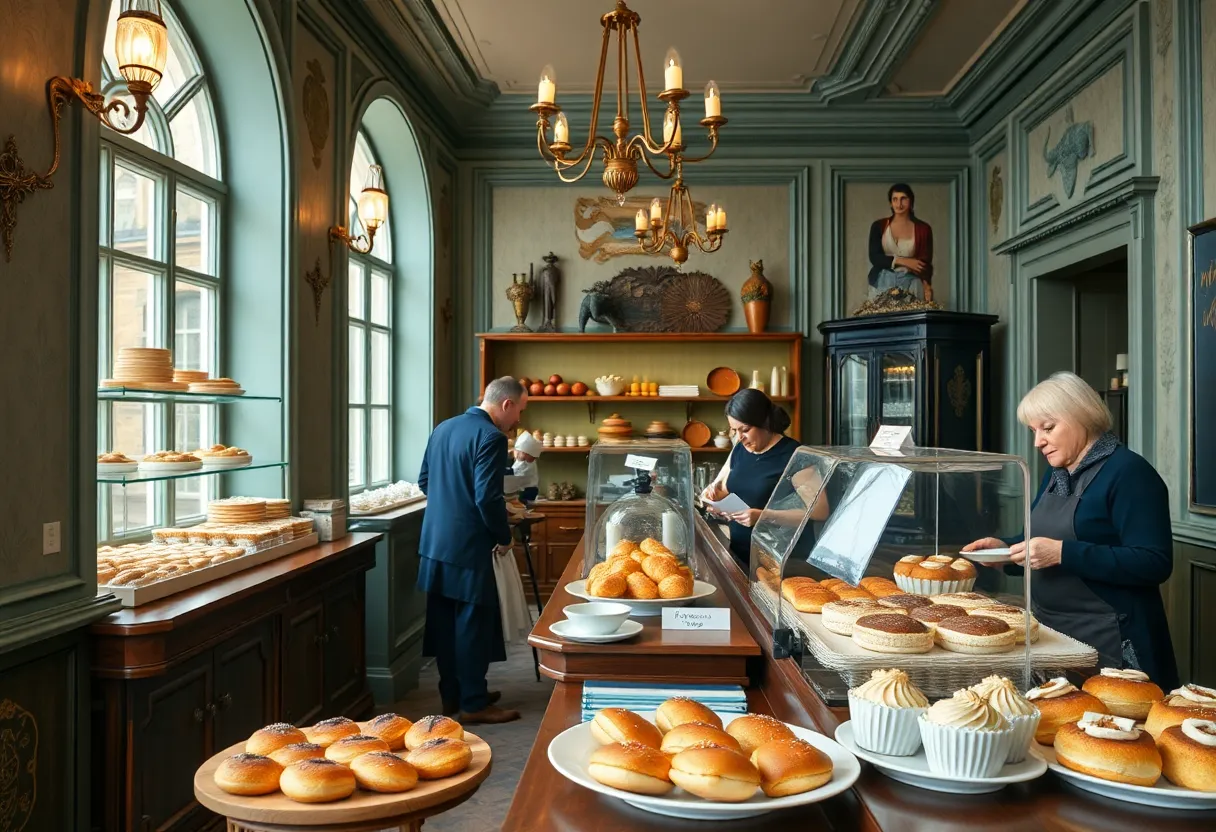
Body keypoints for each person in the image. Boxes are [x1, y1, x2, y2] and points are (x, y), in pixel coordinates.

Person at [962, 371, 1178, 689]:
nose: (1038, 442)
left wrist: (1064, 553)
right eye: (1033, 431)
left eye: (1047, 428)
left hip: (1111, 640)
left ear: (1082, 417)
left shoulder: (1130, 472)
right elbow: (1042, 544)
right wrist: (1007, 550)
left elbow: (1154, 561)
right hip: (1054, 636)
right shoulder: (1056, 474)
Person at [416, 376, 527, 724]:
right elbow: (485, 497)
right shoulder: (492, 437)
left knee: (445, 624)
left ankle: (453, 697)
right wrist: (504, 534)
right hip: (468, 547)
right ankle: (475, 704)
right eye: (519, 411)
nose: (517, 422)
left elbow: (424, 481)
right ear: (506, 404)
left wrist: (453, 506)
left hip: (435, 543)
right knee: (472, 625)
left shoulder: (443, 428)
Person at [699, 389, 802, 568]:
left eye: (745, 430)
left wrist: (763, 516)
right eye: (734, 431)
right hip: (740, 553)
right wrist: (714, 498)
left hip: (777, 560)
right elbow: (726, 489)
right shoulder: (739, 450)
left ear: (765, 421)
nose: (740, 437)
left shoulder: (794, 454)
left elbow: (818, 512)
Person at [868, 183, 934, 301]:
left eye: (903, 199)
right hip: (882, 281)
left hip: (911, 282)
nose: (899, 204)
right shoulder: (879, 226)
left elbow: (925, 263)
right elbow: (874, 257)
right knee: (883, 319)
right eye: (895, 199)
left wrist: (927, 286)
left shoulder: (923, 229)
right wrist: (902, 260)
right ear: (890, 203)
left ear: (911, 201)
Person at [511, 431, 544, 503]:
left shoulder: (525, 464)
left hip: (526, 493)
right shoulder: (521, 461)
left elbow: (514, 478)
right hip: (524, 491)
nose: (516, 453)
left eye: (518, 451)